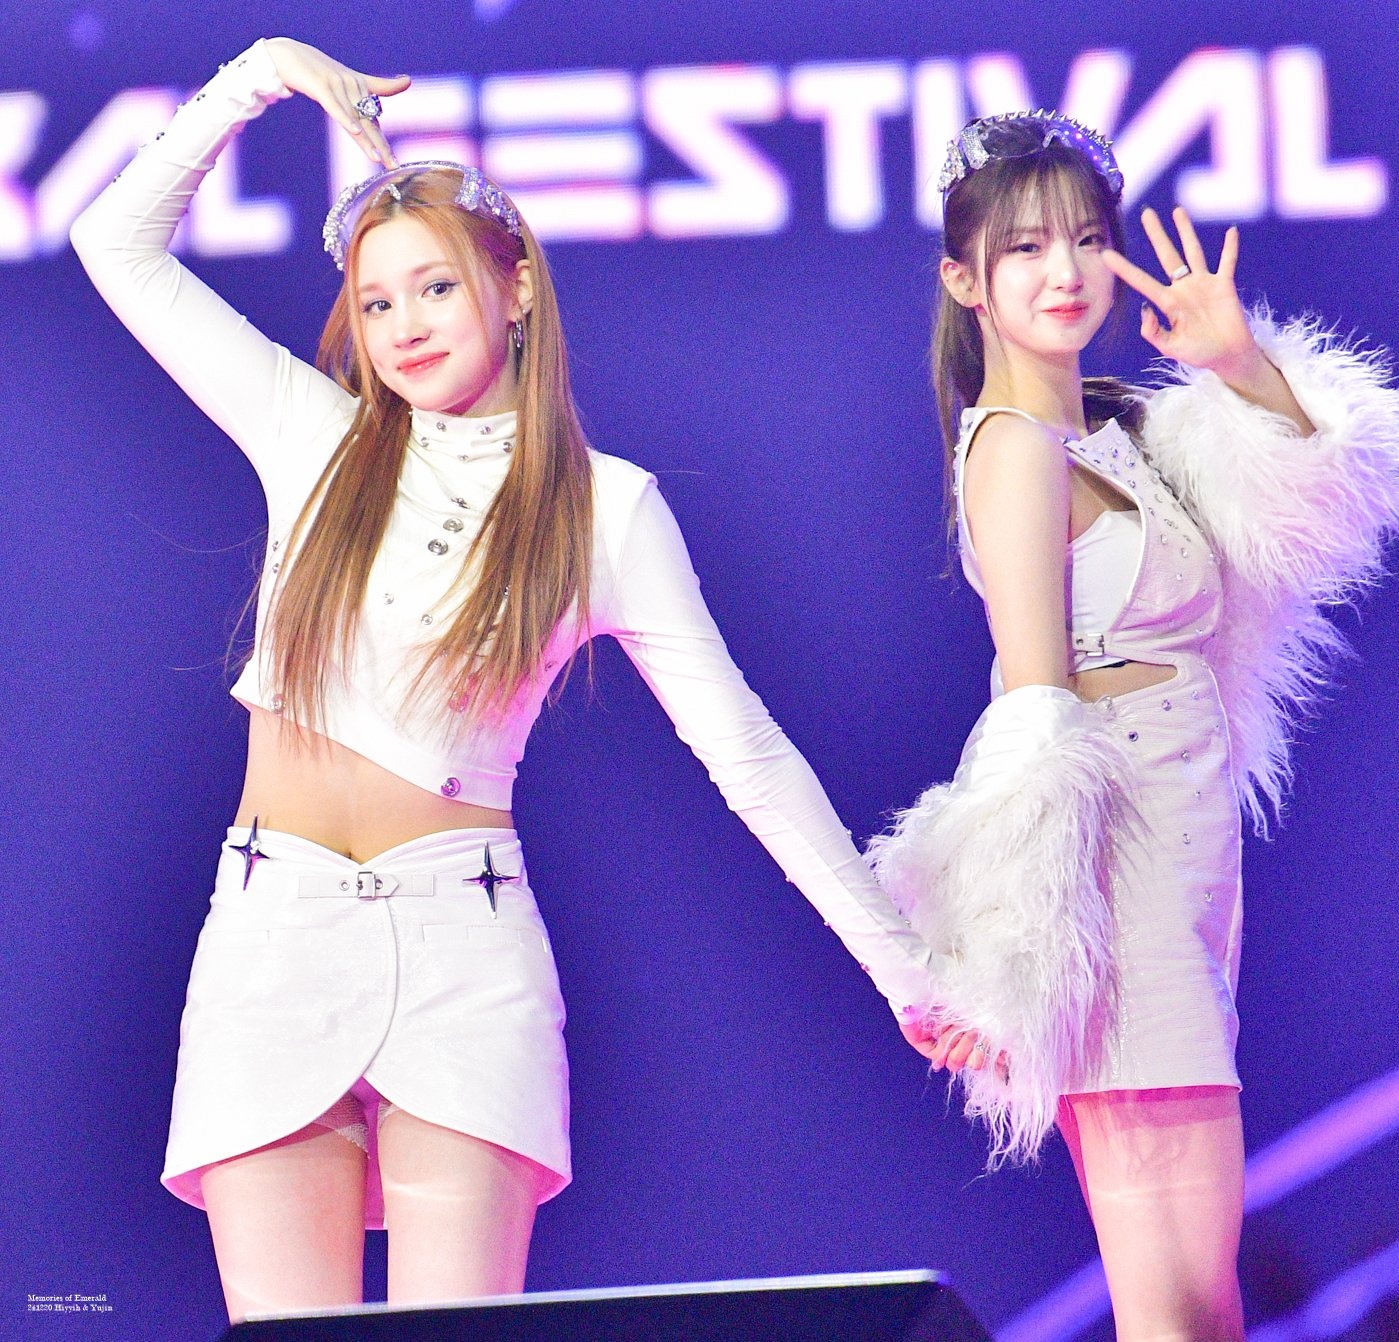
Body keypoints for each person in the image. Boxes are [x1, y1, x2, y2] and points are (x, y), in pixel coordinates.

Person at [70, 38, 941, 1322]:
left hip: (463, 948)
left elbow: (745, 754)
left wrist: (903, 966)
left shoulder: (605, 509)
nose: (405, 326)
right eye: (376, 303)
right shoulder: (315, 435)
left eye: (435, 286)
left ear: (516, 283)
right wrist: (260, 75)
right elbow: (115, 244)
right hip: (271, 934)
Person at [867, 113, 1399, 1340]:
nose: (1065, 270)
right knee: (1173, 1301)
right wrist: (1002, 952)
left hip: (1187, 847)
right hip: (1118, 874)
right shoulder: (1013, 448)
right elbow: (1032, 703)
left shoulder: (1128, 435)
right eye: (1025, 248)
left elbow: (1324, 516)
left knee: (1199, 1298)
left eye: (1085, 238)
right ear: (965, 280)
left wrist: (1240, 367)